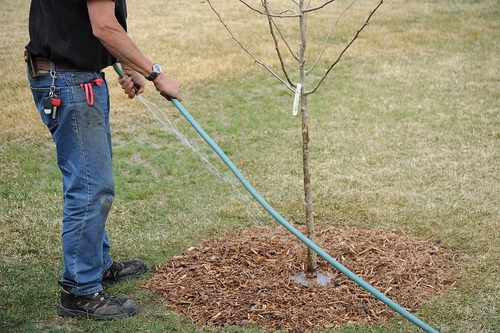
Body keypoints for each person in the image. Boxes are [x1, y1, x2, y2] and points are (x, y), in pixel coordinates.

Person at [25, 0, 182, 320]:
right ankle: (79, 290)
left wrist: (130, 67)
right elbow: (104, 27)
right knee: (91, 186)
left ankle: (97, 263)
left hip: (77, 77)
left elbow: (81, 24)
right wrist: (155, 73)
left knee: (93, 179)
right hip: (68, 82)